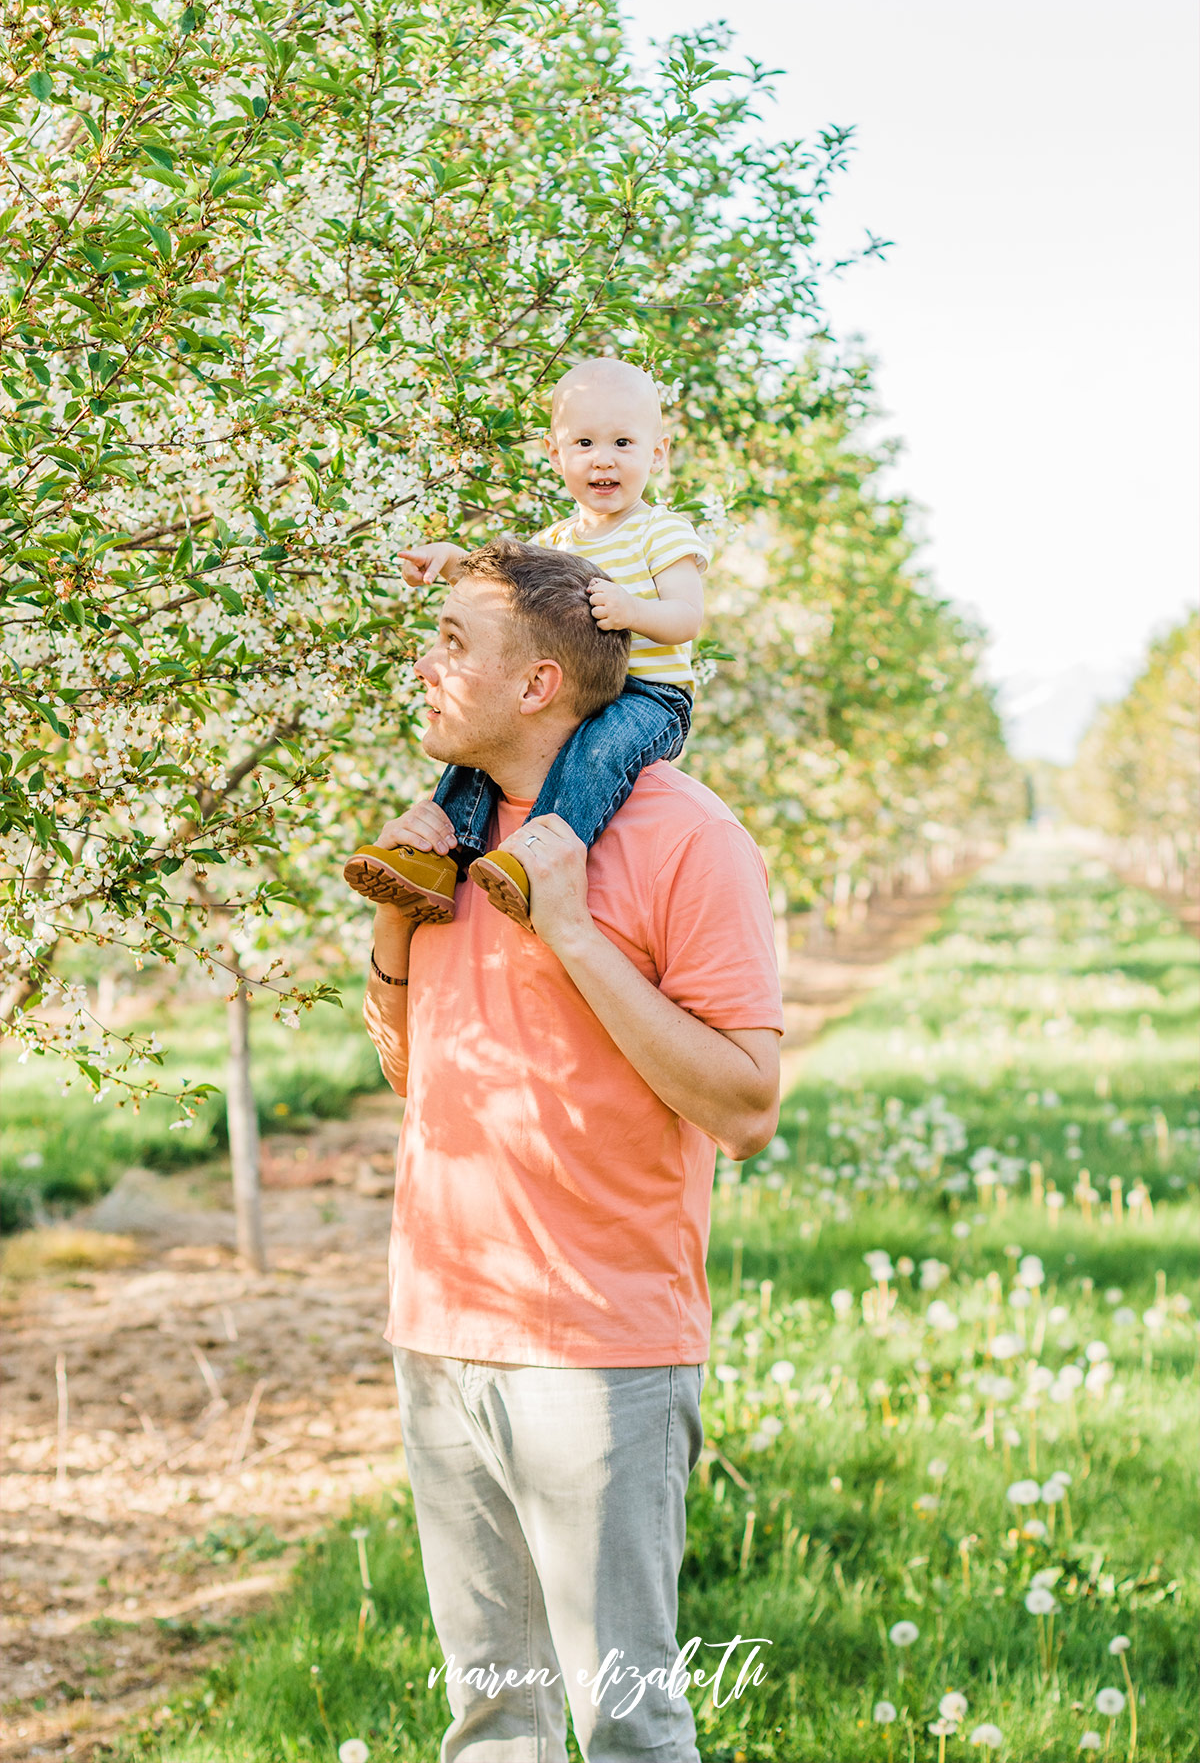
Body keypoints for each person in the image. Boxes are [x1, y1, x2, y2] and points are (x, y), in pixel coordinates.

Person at [362, 539, 783, 1763]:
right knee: (494, 1721)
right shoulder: (446, 836)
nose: (424, 666)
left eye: (454, 643)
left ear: (540, 683)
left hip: (597, 1352)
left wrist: (577, 936)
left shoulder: (686, 839)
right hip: (441, 1331)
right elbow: (413, 1071)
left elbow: (748, 1107)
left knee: (625, 1724)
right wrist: (398, 919)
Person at [343, 357, 709, 929]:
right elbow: (508, 585)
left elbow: (688, 617)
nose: (603, 458)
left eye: (622, 442)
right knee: (480, 745)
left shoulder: (661, 531)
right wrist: (452, 563)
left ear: (656, 454)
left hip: (646, 695)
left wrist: (634, 610)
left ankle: (540, 859)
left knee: (600, 755)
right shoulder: (556, 541)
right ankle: (440, 859)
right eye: (584, 442)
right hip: (578, 689)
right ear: (554, 453)